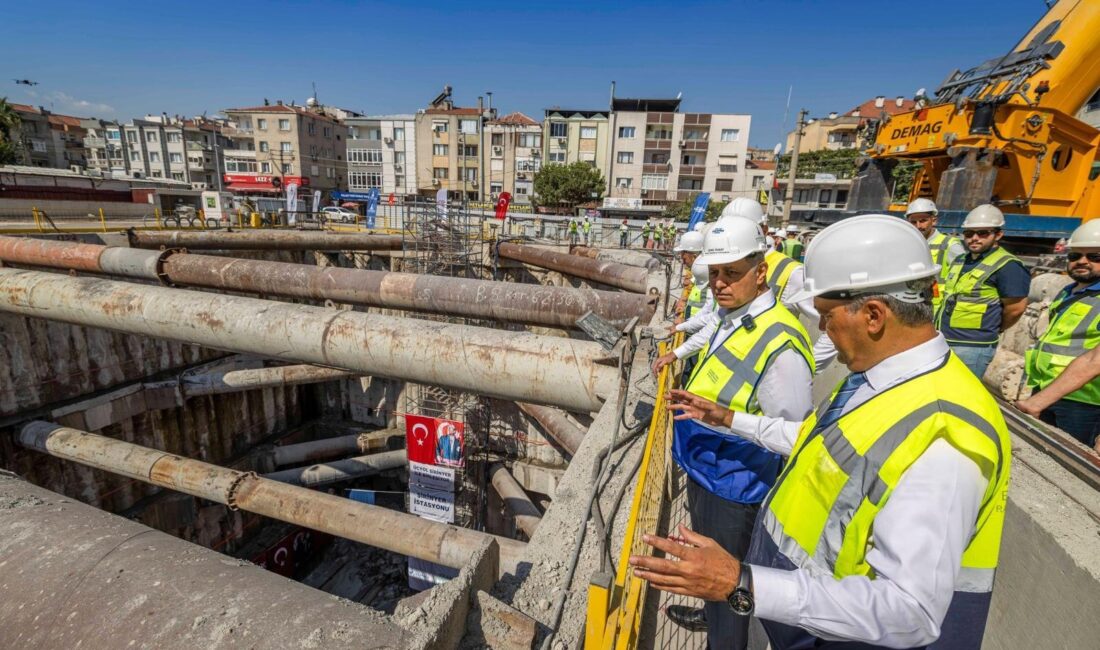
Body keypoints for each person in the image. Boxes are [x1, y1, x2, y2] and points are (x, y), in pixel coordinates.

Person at [633, 213, 1011, 650]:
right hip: (800, 616)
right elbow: (814, 441)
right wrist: (730, 418)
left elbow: (910, 612)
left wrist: (743, 581)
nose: (822, 330)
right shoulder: (877, 381)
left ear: (873, 315)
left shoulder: (944, 434)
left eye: (827, 316)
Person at [653, 216, 815, 649]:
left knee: (728, 585)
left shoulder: (781, 342)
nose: (720, 284)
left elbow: (796, 435)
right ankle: (712, 618)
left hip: (736, 486)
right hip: (709, 470)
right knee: (709, 575)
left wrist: (726, 419)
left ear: (760, 271)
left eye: (732, 273)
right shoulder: (732, 315)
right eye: (715, 273)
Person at [655, 199, 838, 373]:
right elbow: (717, 321)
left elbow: (834, 327)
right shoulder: (725, 269)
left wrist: (803, 370)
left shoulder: (791, 273)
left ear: (764, 230)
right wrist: (678, 353)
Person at [1017, 219, 1100, 448]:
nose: (1082, 262)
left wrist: (1039, 401)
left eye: (1095, 257)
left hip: (1082, 404)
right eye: (1075, 255)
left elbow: (1096, 360)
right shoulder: (1070, 290)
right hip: (1048, 390)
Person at [935, 204, 1030, 378]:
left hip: (973, 347)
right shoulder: (961, 260)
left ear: (998, 234)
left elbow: (1016, 308)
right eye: (969, 233)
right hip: (944, 339)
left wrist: (994, 328)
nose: (975, 238)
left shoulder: (1008, 266)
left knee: (961, 395)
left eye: (983, 233)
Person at [905, 198, 965, 311]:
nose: (918, 226)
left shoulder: (949, 245)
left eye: (923, 220)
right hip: (912, 303)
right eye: (913, 222)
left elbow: (963, 278)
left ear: (934, 221)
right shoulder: (908, 244)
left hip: (937, 306)